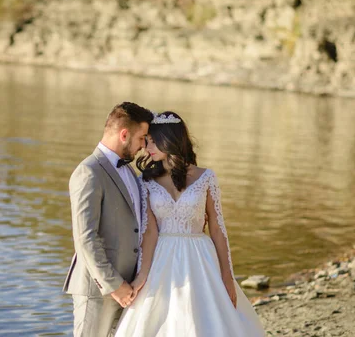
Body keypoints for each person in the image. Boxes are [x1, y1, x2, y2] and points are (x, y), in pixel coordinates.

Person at [114, 111, 267, 336]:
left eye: (154, 141)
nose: (147, 148)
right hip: (162, 259)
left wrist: (227, 275)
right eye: (146, 141)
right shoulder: (145, 180)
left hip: (201, 258)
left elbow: (217, 228)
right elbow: (149, 232)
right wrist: (141, 277)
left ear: (170, 140)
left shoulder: (206, 177)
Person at [63, 102, 154, 337]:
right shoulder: (88, 172)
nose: (144, 146)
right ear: (124, 134)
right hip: (98, 289)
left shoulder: (131, 173)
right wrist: (115, 285)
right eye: (142, 138)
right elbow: (85, 238)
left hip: (129, 288)